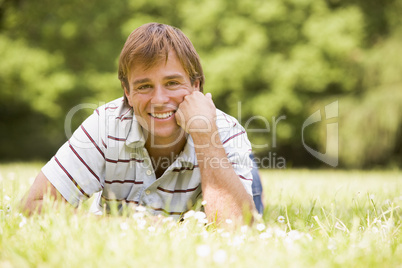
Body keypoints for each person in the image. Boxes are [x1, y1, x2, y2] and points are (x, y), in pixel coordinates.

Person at [21, 22, 263, 222]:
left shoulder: (226, 130)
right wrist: (135, 226)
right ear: (127, 92)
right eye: (144, 86)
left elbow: (237, 229)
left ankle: (250, 181)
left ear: (195, 86)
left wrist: (204, 134)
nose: (159, 99)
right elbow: (33, 207)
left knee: (252, 201)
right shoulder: (105, 125)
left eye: (172, 83)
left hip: (224, 154)